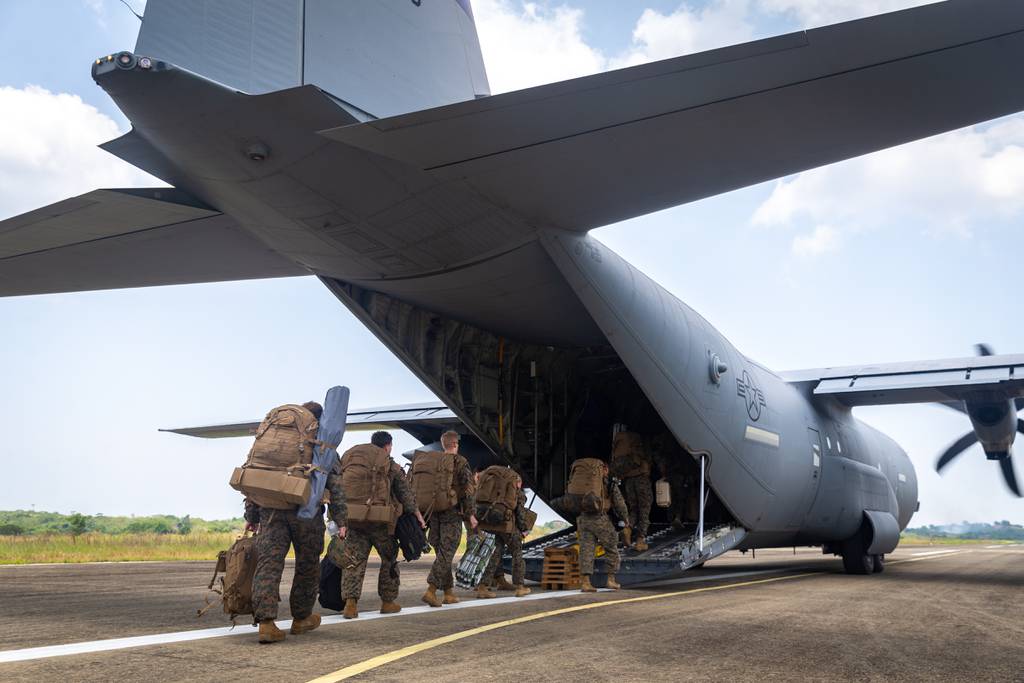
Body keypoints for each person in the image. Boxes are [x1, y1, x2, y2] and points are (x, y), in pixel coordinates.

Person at [245, 401, 346, 644]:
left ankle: (266, 624)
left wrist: (252, 516)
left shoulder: (274, 439)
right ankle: (301, 619)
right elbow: (336, 487)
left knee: (268, 565)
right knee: (307, 566)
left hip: (271, 511)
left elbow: (257, 474)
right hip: (307, 515)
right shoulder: (323, 446)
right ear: (320, 422)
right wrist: (341, 520)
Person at [337, 431, 422, 619]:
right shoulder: (389, 464)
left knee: (354, 561)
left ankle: (350, 605)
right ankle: (388, 602)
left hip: (355, 519)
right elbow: (405, 494)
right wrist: (417, 515)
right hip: (381, 523)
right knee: (389, 559)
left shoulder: (354, 460)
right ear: (387, 446)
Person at [417, 430, 477, 607]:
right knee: (447, 553)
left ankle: (449, 593)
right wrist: (471, 515)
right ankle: (431, 590)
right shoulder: (460, 462)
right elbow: (468, 490)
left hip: (433, 513)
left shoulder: (434, 461)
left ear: (444, 444)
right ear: (455, 444)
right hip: (452, 512)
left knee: (442, 553)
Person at [476, 474, 531, 598]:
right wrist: (524, 529)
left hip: (494, 527)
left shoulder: (495, 494)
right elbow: (520, 514)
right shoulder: (518, 494)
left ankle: (482, 587)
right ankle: (520, 587)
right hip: (509, 528)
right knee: (517, 555)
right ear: (517, 483)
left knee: (494, 556)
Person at [578, 462, 629, 592]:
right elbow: (620, 504)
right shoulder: (608, 482)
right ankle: (610, 580)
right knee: (611, 546)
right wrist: (625, 519)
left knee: (586, 550)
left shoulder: (583, 482)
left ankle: (585, 582)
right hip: (599, 519)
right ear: (605, 469)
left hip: (583, 520)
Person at [611, 429, 653, 552]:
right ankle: (640, 540)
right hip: (642, 483)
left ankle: (627, 528)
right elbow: (646, 469)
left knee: (634, 509)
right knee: (644, 510)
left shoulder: (624, 454)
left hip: (629, 484)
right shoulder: (641, 450)